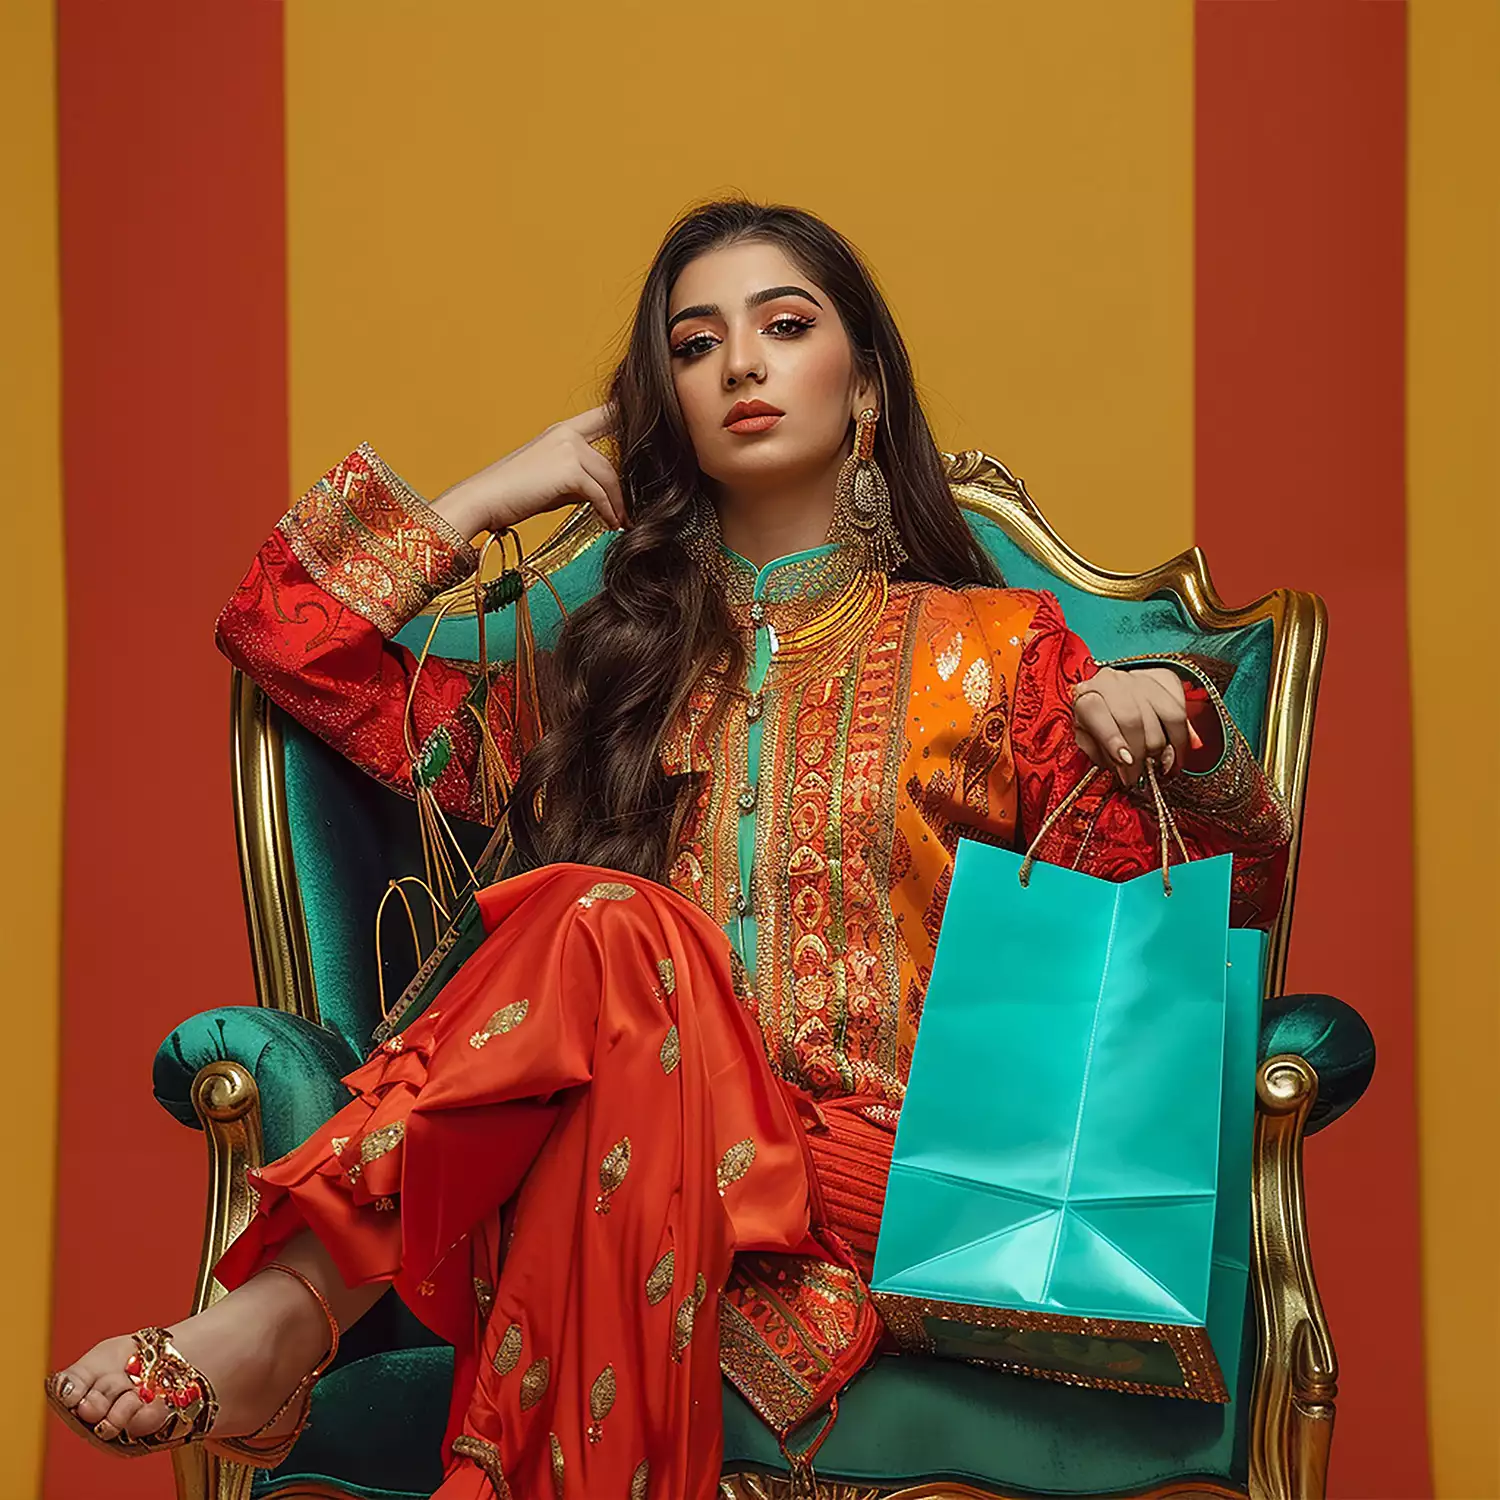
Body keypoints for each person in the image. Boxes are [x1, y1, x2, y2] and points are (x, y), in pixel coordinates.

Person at [47, 199, 1290, 1499]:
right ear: (670, 407)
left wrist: (1171, 725)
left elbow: (1215, 914)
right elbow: (286, 640)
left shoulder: (997, 654)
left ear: (865, 387)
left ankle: (294, 1307)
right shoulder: (606, 685)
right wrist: (490, 492)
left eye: (785, 327)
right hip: (623, 1174)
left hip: (891, 1199)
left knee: (601, 923)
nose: (741, 364)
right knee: (604, 950)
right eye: (696, 346)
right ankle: (298, 1312)